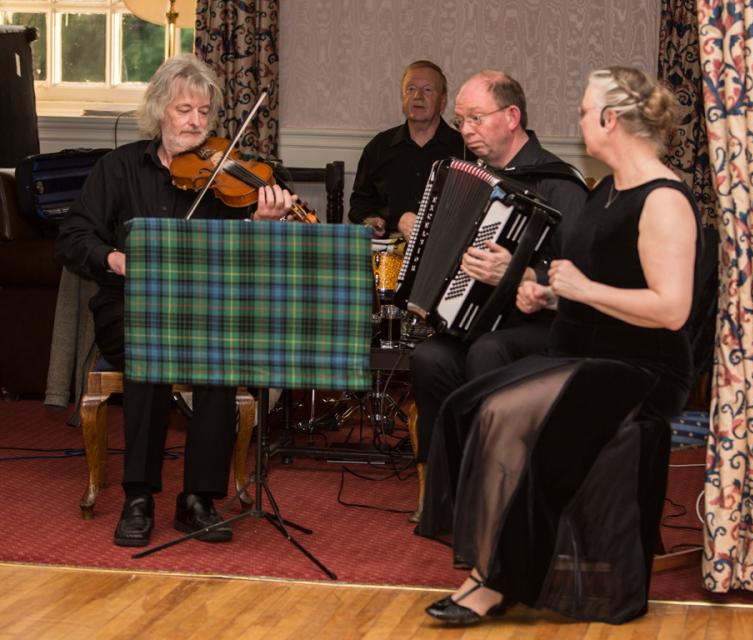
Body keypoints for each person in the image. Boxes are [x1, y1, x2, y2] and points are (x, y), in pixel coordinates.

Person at [419, 66, 701, 625]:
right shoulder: (608, 191)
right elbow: (594, 282)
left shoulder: (664, 199)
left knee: (505, 414)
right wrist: (549, 295)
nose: (579, 121)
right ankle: (491, 568)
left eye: (584, 111)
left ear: (611, 120)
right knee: (472, 404)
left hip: (641, 367)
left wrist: (581, 290)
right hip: (586, 351)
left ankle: (495, 579)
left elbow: (672, 309)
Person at [56, 54, 295, 547]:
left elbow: (248, 264)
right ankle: (139, 497)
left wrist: (260, 225)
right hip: (128, 306)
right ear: (159, 110)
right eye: (184, 109)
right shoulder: (118, 168)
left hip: (202, 310)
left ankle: (198, 500)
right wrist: (114, 258)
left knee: (219, 358)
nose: (196, 122)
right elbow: (73, 236)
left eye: (204, 112)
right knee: (150, 350)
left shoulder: (224, 178)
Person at [407, 70, 588, 521]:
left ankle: (498, 494)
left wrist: (522, 272)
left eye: (476, 118)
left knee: (489, 351)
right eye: (461, 120)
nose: (465, 130)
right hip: (478, 321)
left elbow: (583, 273)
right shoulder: (472, 177)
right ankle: (445, 496)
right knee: (429, 357)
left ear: (511, 117)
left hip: (544, 325)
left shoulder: (560, 183)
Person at [348, 60, 470, 240]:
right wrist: (370, 221)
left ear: (443, 102)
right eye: (411, 89)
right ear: (403, 98)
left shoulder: (465, 149)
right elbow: (359, 203)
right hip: (388, 249)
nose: (417, 96)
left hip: (444, 248)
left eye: (427, 90)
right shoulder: (379, 146)